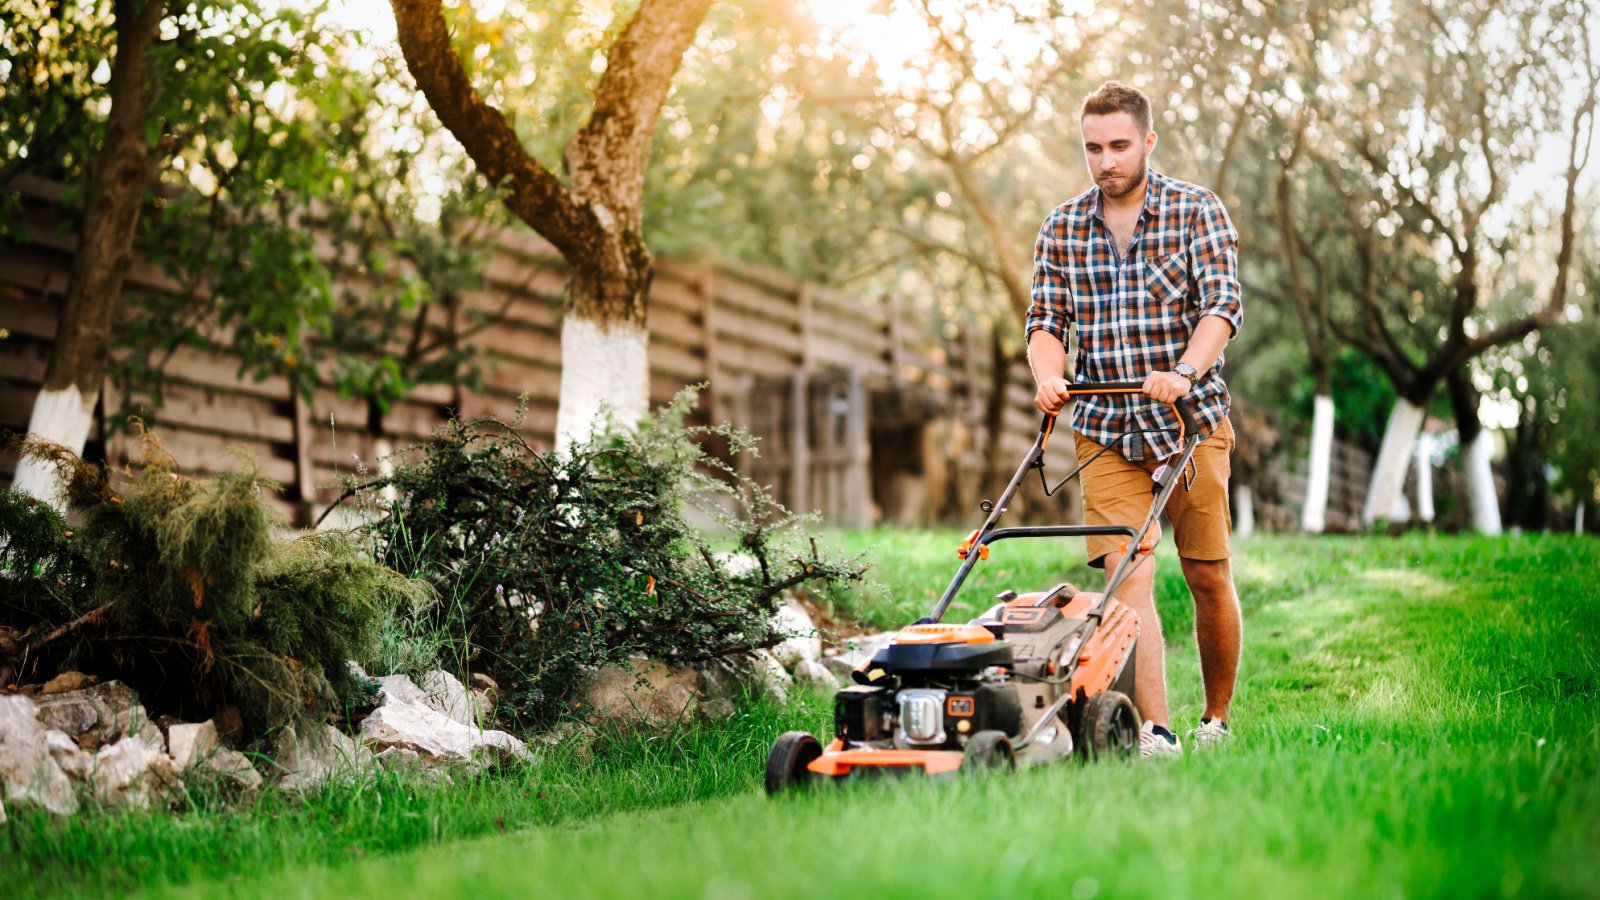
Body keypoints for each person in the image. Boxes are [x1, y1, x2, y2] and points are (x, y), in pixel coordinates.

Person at [1025, 81, 1243, 758]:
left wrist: (1183, 371)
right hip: (1106, 428)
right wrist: (1048, 376)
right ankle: (1158, 731)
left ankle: (1215, 719)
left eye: (1119, 145)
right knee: (1129, 581)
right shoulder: (1063, 228)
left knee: (1207, 576)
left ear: (1148, 141)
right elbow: (1045, 322)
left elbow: (1221, 308)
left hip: (1189, 420)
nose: (1105, 160)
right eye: (1093, 147)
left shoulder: (1195, 210)